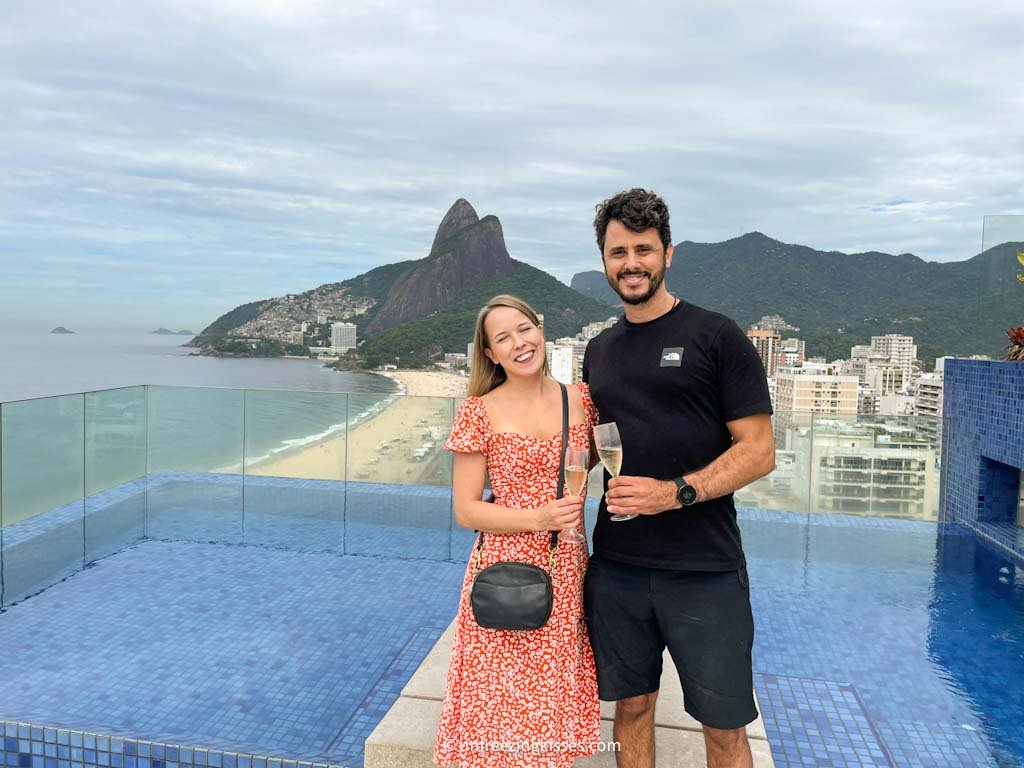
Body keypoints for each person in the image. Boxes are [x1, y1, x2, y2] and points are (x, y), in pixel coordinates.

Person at [582, 189, 776, 768]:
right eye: (618, 252)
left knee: (723, 728)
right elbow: (590, 445)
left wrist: (673, 494)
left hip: (704, 569)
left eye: (643, 249)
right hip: (617, 565)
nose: (631, 263)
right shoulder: (599, 349)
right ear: (604, 261)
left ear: (668, 253)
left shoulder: (716, 336)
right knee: (632, 710)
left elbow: (759, 450)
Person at [434, 294, 602, 768]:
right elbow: (466, 511)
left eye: (524, 329)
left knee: (549, 706)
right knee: (496, 706)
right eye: (503, 338)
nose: (519, 343)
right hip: (504, 571)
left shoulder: (581, 399)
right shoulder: (478, 412)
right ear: (490, 354)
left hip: (565, 567)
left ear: (541, 330)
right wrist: (539, 519)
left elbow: (594, 463)